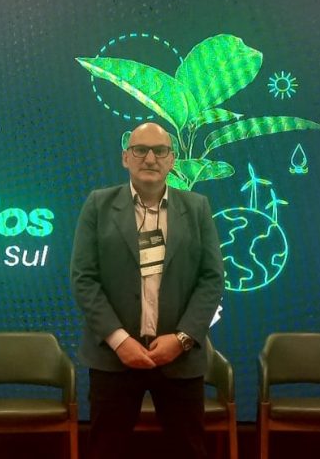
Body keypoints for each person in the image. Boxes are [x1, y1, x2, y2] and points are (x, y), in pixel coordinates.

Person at [70, 122, 225, 459]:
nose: (150, 158)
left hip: (179, 359)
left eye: (160, 151)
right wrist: (119, 340)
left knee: (189, 450)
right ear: (125, 157)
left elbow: (212, 278)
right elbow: (84, 278)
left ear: (172, 160)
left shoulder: (197, 207)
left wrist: (182, 339)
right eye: (140, 150)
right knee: (105, 450)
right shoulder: (98, 205)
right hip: (114, 359)